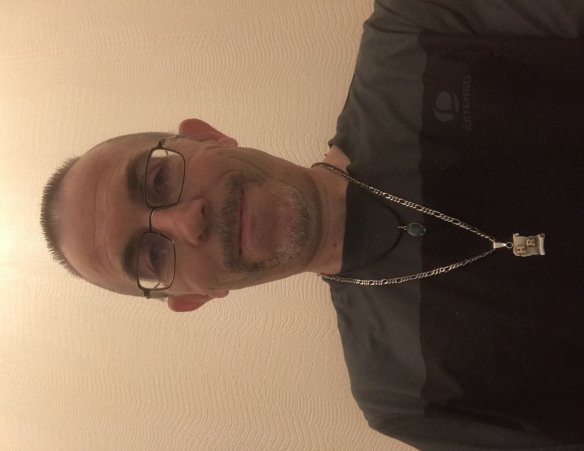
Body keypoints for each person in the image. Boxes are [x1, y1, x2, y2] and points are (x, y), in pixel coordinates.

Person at [41, 1, 584, 449]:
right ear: (194, 297)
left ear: (207, 135)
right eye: (152, 256)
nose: (186, 220)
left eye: (159, 179)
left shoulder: (416, 27)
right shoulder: (400, 394)